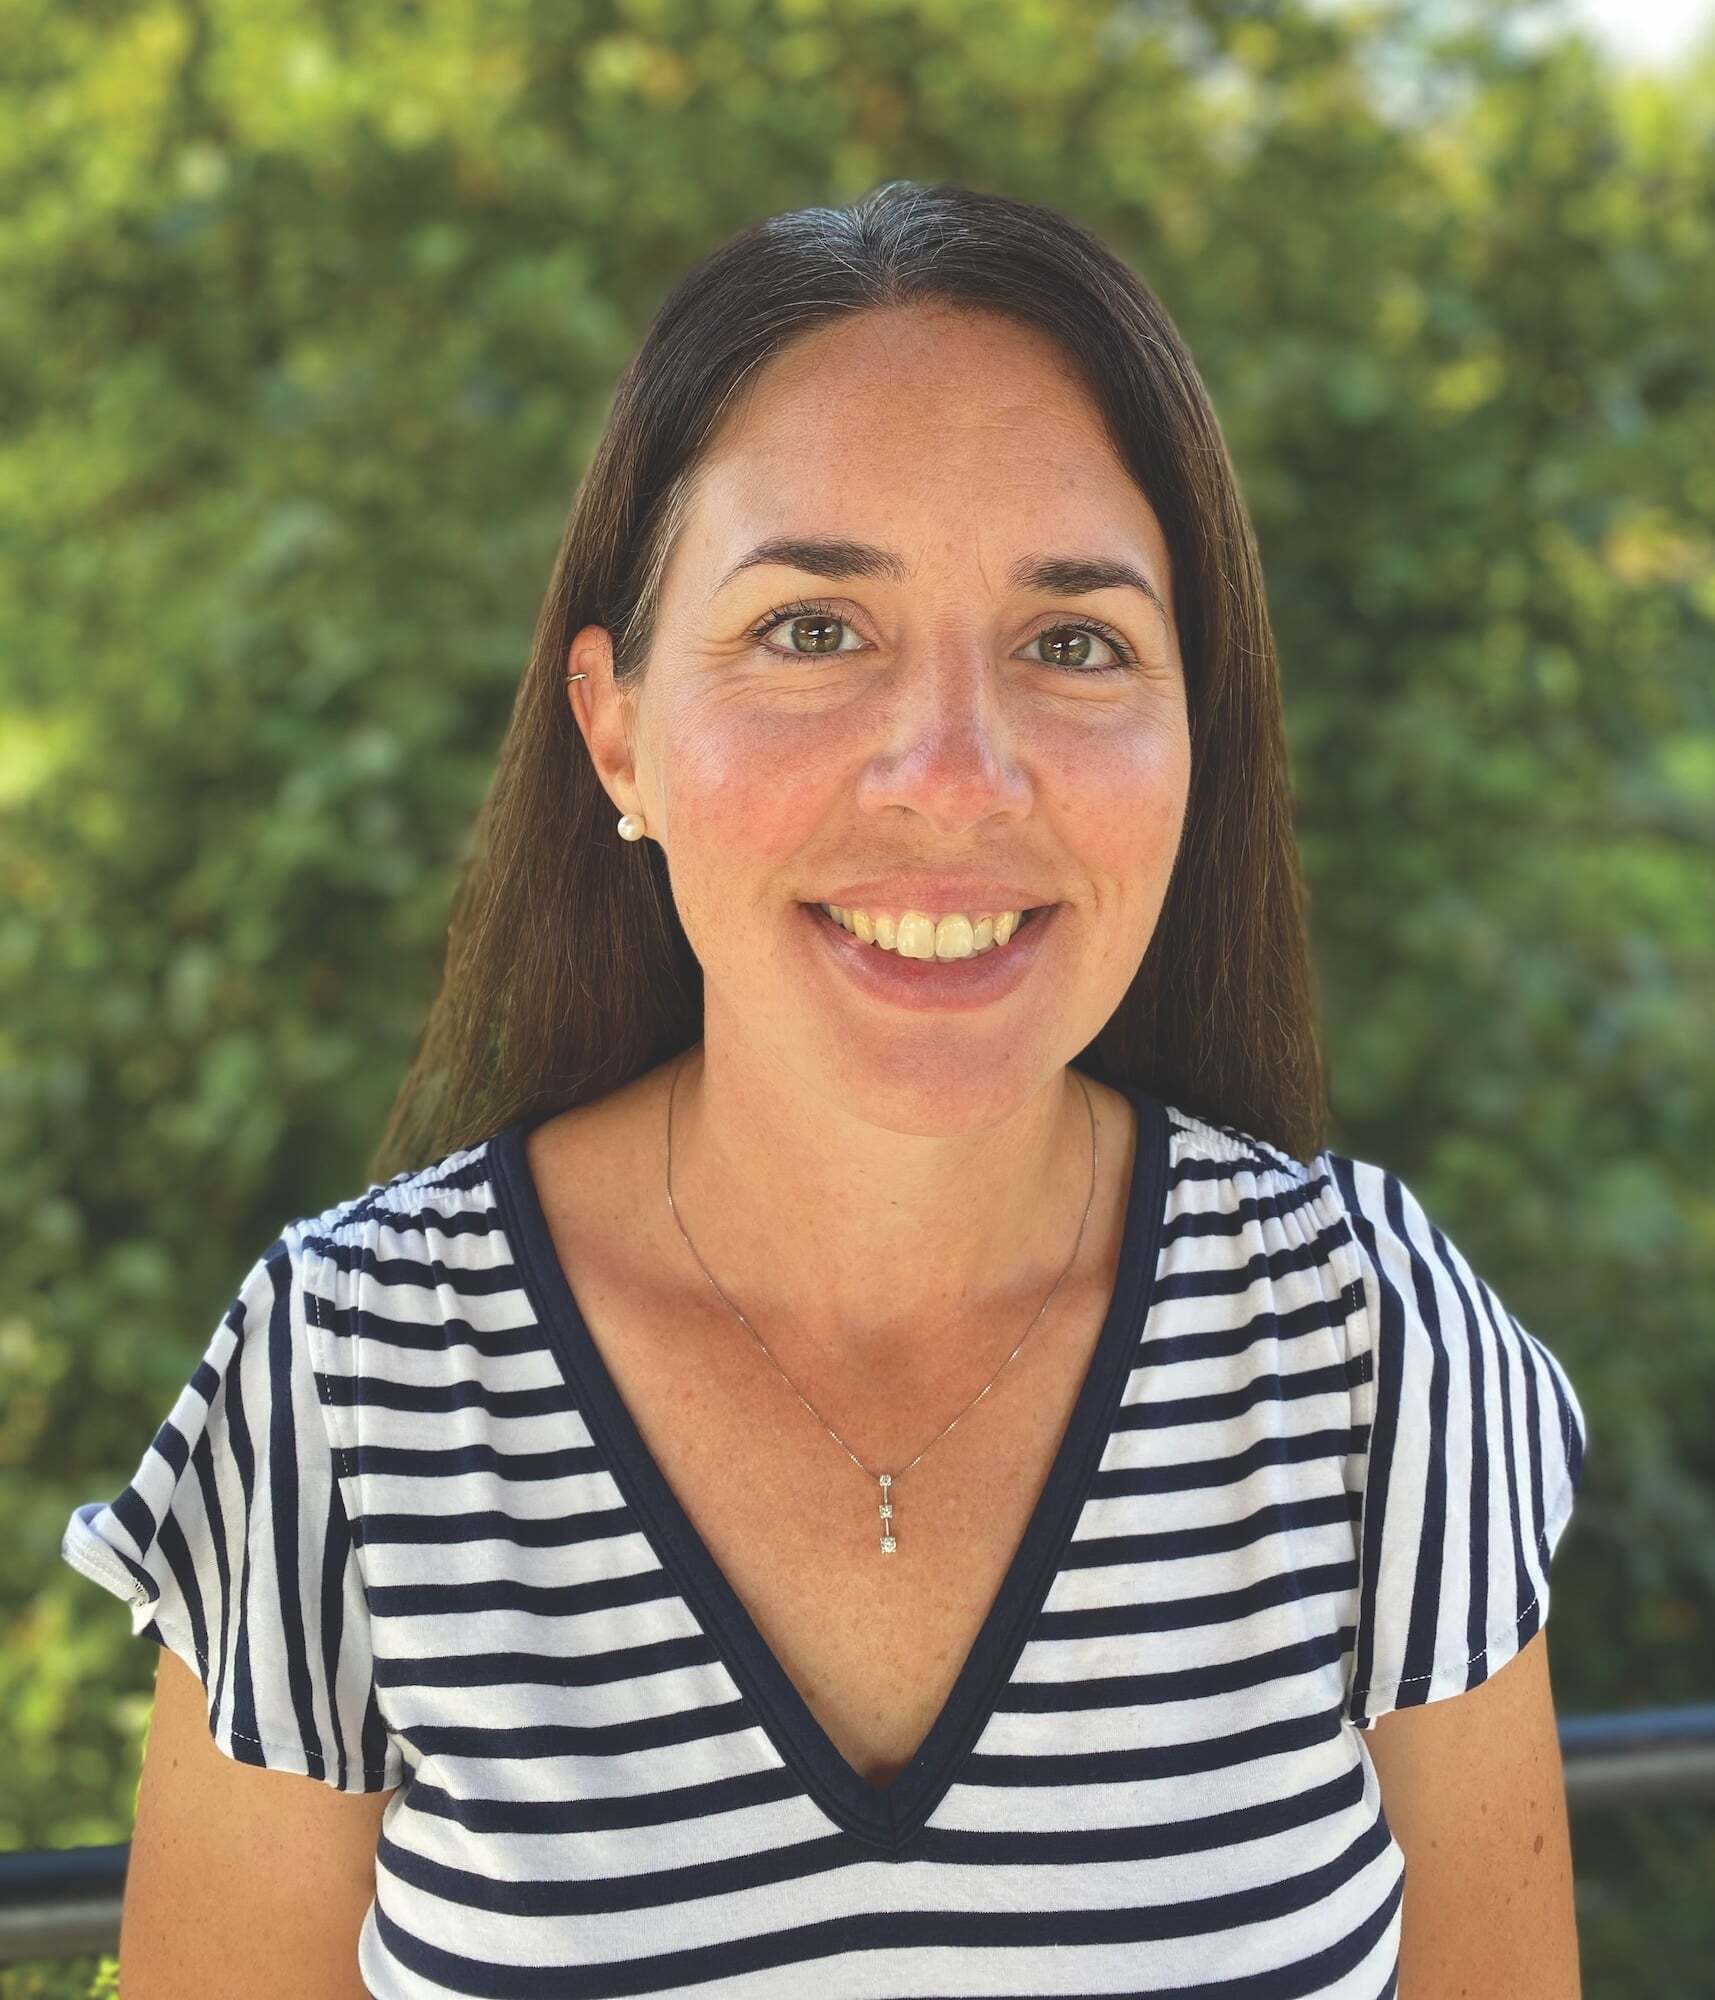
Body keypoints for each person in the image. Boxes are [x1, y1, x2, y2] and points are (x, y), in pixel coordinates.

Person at [62, 180, 1588, 1998]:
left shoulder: (1369, 1353)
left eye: (1075, 641)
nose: (953, 778)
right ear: (617, 728)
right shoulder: (350, 1382)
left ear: (1201, 726)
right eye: (812, 629)